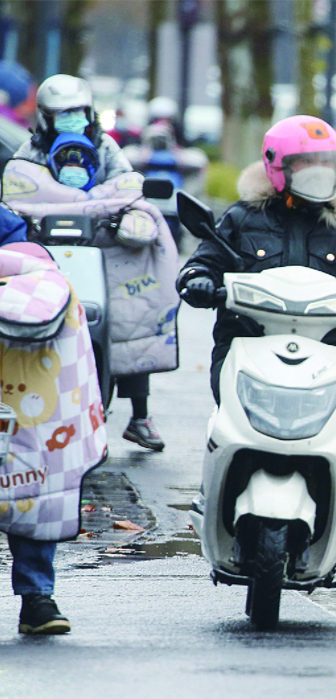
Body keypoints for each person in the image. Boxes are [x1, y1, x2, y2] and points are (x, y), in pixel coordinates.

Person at [176, 115, 336, 624]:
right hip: (249, 352)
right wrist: (197, 279)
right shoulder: (241, 219)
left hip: (327, 359)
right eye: (306, 162)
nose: (318, 172)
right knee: (230, 434)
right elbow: (204, 260)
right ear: (276, 167)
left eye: (326, 163)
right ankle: (217, 509)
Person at [3, 73, 173, 452]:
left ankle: (139, 415)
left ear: (90, 111)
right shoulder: (30, 152)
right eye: (61, 113)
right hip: (48, 251)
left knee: (130, 317)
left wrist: (126, 216)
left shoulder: (107, 147)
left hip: (103, 248)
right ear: (44, 116)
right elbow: (18, 188)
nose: (71, 118)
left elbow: (127, 184)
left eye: (77, 111)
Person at [0, 206, 108, 634]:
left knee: (30, 484)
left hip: (17, 375)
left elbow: (35, 283)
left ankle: (37, 597)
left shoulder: (8, 227)